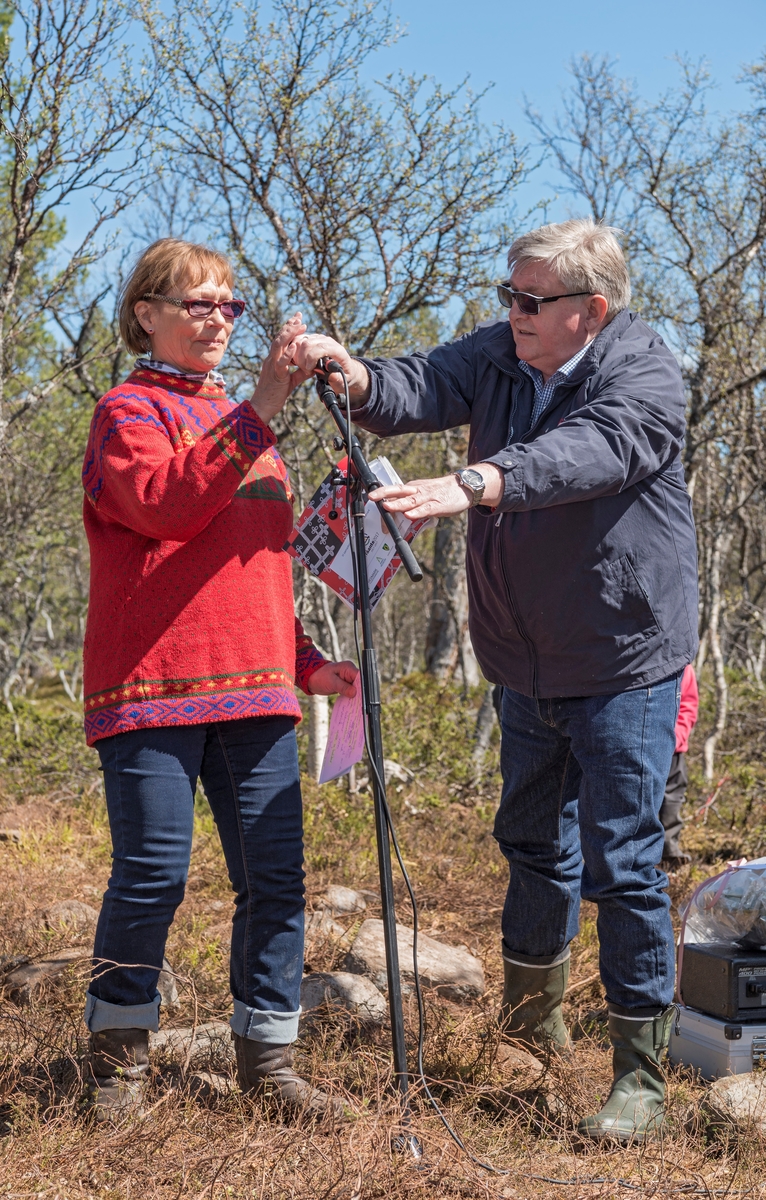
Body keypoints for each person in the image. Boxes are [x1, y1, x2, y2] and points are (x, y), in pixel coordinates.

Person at [291, 219, 699, 1144]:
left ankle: (641, 1074)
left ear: (589, 312)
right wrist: (354, 378)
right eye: (508, 296)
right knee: (528, 838)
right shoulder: (502, 353)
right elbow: (424, 383)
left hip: (623, 655)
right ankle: (530, 1028)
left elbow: (587, 454)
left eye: (529, 301)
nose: (509, 313)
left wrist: (475, 481)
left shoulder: (643, 374)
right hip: (523, 655)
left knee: (626, 860)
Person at [80, 238, 358, 1120]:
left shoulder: (252, 436)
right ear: (146, 315)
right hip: (154, 686)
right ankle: (118, 1059)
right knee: (154, 875)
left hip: (257, 693)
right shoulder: (126, 413)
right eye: (196, 303)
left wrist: (313, 666)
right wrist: (263, 407)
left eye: (228, 306)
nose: (216, 320)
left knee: (275, 881)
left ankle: (268, 1062)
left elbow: (259, 568)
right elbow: (166, 506)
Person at [660, 664, 699, 865]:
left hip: (673, 749)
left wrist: (676, 737)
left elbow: (688, 706)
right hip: (639, 746)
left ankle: (669, 852)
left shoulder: (684, 668)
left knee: (671, 799)